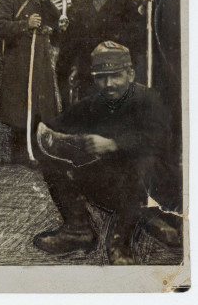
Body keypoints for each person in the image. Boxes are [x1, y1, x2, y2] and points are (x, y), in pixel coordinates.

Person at [34, 42, 171, 265]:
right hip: (111, 186)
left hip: (148, 187)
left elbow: (160, 141)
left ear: (130, 74)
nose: (108, 84)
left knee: (144, 163)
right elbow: (57, 128)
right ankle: (77, 229)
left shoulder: (148, 99)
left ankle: (121, 240)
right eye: (101, 77)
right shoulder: (93, 103)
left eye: (116, 76)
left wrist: (113, 144)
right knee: (53, 160)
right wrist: (54, 135)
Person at [0, 0, 62, 166]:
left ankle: (38, 151)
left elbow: (55, 19)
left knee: (40, 105)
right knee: (20, 107)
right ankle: (20, 155)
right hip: (19, 61)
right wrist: (25, 25)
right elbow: (0, 27)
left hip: (39, 59)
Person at [56, 0, 143, 104]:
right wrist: (73, 68)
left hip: (116, 77)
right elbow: (70, 47)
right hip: (88, 77)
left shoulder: (125, 5)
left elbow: (136, 44)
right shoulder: (81, 8)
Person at [140, 0, 182, 233]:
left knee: (177, 141)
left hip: (181, 75)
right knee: (160, 140)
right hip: (159, 79)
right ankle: (160, 204)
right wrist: (143, 6)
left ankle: (177, 206)